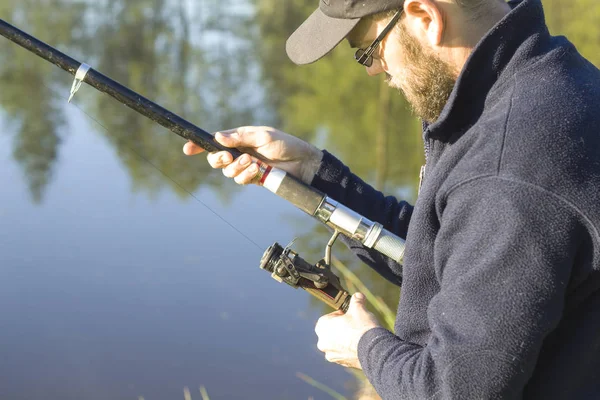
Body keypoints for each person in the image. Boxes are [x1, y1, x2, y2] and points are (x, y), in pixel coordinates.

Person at [183, 0, 600, 397]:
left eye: (367, 51)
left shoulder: (506, 171)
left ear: (424, 15)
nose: (373, 69)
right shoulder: (549, 79)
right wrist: (314, 171)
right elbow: (458, 252)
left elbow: (452, 391)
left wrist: (365, 346)